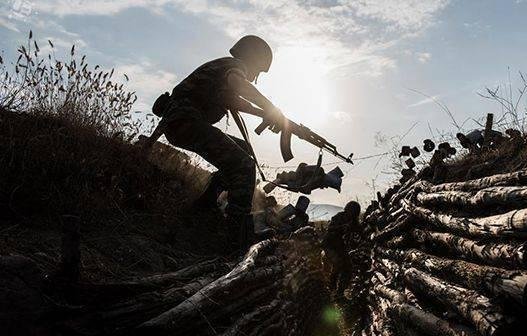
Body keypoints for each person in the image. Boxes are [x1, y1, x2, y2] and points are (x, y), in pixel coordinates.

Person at [142, 35, 288, 249]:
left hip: (179, 124)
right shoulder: (235, 66)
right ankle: (236, 238)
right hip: (185, 122)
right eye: (258, 70)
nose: (255, 76)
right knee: (244, 165)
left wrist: (267, 115)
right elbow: (238, 84)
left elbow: (233, 100)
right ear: (252, 59)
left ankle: (205, 206)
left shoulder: (221, 68)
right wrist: (271, 109)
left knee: (243, 149)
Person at [322, 201, 362, 297]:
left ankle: (339, 292)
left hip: (340, 247)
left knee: (347, 267)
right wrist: (342, 228)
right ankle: (331, 289)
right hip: (330, 245)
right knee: (338, 264)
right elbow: (331, 230)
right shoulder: (338, 217)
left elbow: (359, 230)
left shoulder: (353, 221)